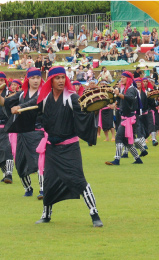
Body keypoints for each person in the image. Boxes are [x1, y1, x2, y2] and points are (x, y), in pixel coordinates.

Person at [10, 66, 103, 227]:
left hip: (70, 148)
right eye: (57, 78)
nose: (61, 81)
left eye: (62, 78)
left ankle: (94, 214)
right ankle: (46, 214)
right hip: (52, 148)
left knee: (79, 180)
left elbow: (83, 113)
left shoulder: (71, 97)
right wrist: (19, 108)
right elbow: (31, 104)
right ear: (51, 80)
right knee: (49, 181)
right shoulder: (44, 98)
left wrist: (93, 110)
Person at [2, 68, 45, 198]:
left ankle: (43, 189)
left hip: (38, 131)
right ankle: (28, 188)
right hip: (22, 133)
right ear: (28, 79)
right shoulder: (21, 94)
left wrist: (20, 107)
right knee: (20, 162)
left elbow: (35, 102)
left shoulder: (45, 93)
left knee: (40, 162)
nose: (36, 80)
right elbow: (5, 102)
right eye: (33, 78)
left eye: (38, 77)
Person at [105, 71, 147, 166]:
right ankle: (138, 159)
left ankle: (117, 160)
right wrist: (115, 104)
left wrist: (119, 94)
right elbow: (124, 102)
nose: (122, 79)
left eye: (124, 77)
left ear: (128, 79)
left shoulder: (131, 89)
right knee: (127, 140)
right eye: (121, 77)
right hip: (128, 117)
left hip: (129, 118)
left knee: (119, 137)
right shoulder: (126, 89)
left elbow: (130, 99)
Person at [0, 72, 14, 184]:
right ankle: (5, 173)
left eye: (1, 80)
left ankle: (9, 173)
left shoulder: (10, 94)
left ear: (5, 81)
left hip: (6, 126)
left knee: (7, 149)